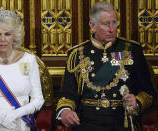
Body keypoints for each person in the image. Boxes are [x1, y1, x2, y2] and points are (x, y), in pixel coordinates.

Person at [56, 1, 157, 131]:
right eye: (105, 24)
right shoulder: (76, 54)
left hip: (121, 122)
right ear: (92, 26)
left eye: (114, 22)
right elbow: (67, 94)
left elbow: (148, 92)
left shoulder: (131, 50)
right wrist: (65, 111)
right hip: (86, 123)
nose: (111, 29)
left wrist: (137, 102)